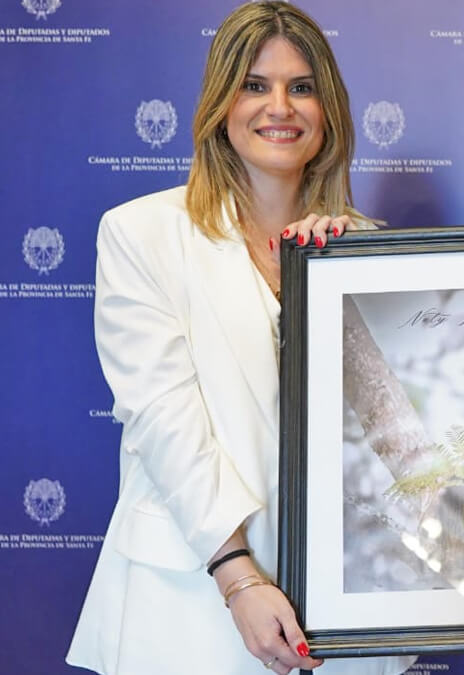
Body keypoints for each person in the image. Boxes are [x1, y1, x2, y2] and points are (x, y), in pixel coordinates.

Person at [66, 3, 414, 674]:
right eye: (255, 84)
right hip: (193, 602)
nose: (279, 106)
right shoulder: (143, 234)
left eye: (302, 86)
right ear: (221, 103)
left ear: (329, 111)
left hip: (342, 612)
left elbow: (395, 435)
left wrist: (339, 286)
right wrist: (237, 575)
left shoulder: (368, 252)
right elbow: (166, 422)